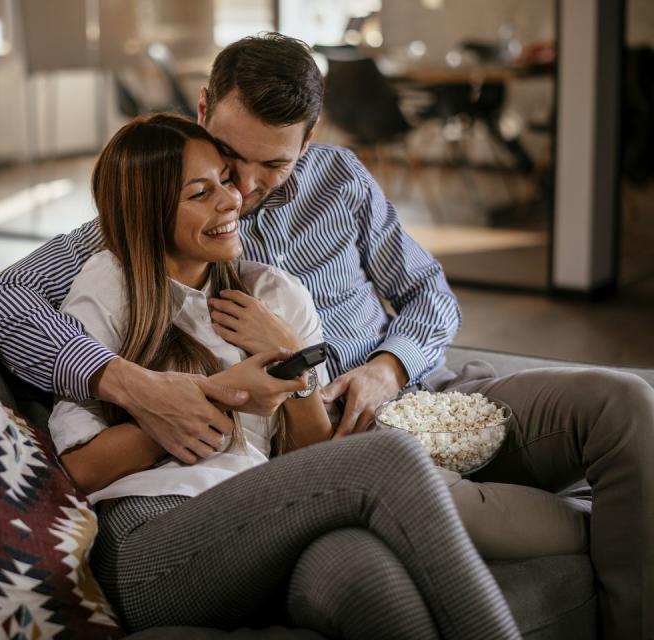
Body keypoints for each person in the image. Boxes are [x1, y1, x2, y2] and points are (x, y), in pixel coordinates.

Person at [0, 33, 653, 638]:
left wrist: (389, 365)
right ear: (205, 110)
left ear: (310, 136)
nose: (239, 189)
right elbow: (2, 296)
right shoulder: (141, 228)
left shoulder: (341, 185)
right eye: (228, 161)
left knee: (626, 404)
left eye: (271, 165)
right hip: (310, 461)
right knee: (367, 550)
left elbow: (430, 294)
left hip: (409, 402)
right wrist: (136, 385)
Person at [47, 112, 519, 638]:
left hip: (257, 518)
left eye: (225, 181)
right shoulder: (110, 286)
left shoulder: (274, 294)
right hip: (148, 540)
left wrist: (294, 362)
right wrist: (219, 398)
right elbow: (82, 470)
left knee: (360, 570)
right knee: (392, 455)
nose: (231, 200)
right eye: (200, 193)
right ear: (150, 212)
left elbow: (310, 453)